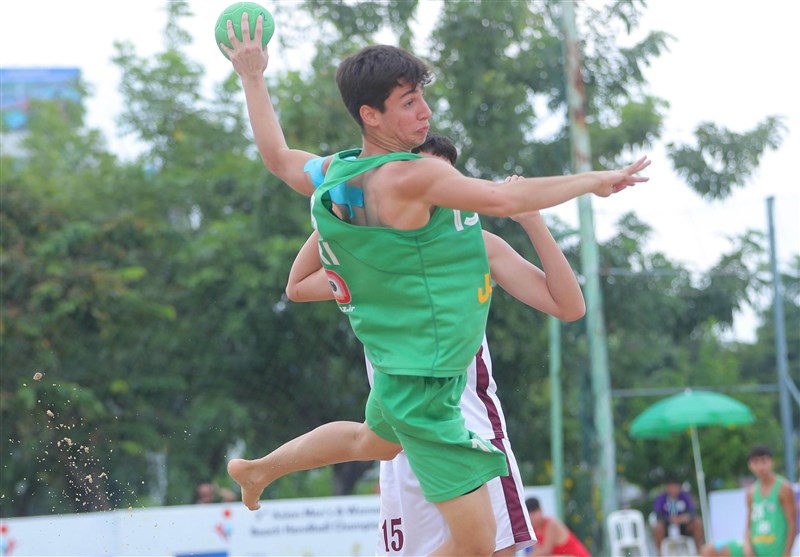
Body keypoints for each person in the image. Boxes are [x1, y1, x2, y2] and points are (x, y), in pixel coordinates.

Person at [222, 14, 650, 557]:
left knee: (369, 440)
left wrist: (252, 76)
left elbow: (279, 157)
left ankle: (259, 469)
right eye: (408, 102)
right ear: (369, 115)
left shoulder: (341, 172)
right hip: (427, 395)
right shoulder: (410, 176)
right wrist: (594, 179)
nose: (424, 110)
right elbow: (502, 199)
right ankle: (260, 470)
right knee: (477, 547)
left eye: (422, 97)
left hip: (405, 380)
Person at [284, 132, 577, 555]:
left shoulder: (474, 245)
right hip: (407, 443)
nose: (428, 187)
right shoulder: (370, 258)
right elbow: (297, 287)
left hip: (466, 431)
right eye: (412, 175)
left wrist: (532, 221)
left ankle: (259, 472)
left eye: (439, 177)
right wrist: (346, 207)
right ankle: (259, 472)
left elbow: (568, 305)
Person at [701, 445, 797, 557]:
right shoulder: (751, 492)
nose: (760, 467)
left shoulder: (784, 488)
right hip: (754, 548)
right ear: (750, 465)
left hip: (775, 551)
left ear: (771, 462)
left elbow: (792, 524)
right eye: (755, 462)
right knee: (708, 550)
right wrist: (747, 545)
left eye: (764, 461)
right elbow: (748, 526)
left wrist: (787, 553)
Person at [652, 475, 704, 554]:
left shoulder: (685, 496)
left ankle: (700, 551)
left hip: (684, 526)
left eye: (675, 486)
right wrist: (670, 519)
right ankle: (660, 553)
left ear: (679, 487)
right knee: (658, 527)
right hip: (667, 526)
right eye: (671, 486)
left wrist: (686, 517)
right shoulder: (661, 498)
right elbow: (658, 514)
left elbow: (693, 511)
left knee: (697, 522)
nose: (673, 489)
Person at [524, 497, 591, 557]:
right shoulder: (533, 528)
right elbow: (537, 550)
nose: (532, 517)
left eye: (534, 513)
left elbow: (546, 551)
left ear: (541, 510)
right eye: (530, 514)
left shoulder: (551, 524)